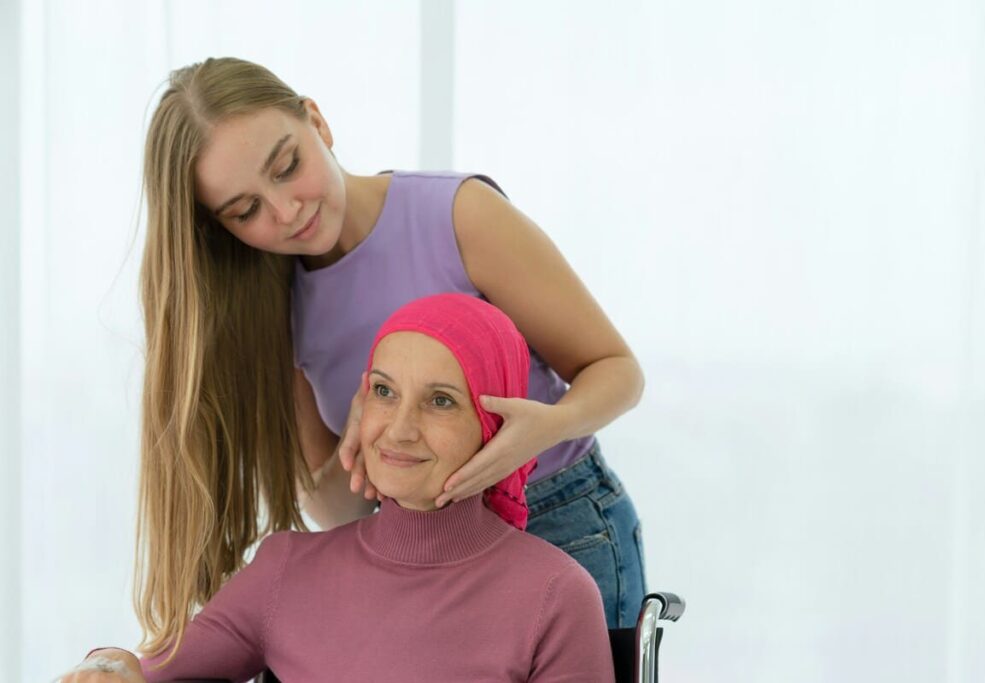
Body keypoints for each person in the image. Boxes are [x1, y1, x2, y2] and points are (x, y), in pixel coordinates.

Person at [132, 56, 646, 661]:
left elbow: (617, 370)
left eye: (287, 166)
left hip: (559, 518)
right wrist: (366, 448)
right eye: (245, 211)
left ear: (317, 122)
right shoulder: (272, 309)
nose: (286, 211)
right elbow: (339, 512)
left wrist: (541, 431)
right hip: (418, 557)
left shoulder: (456, 216)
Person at [61, 294, 615, 682]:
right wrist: (108, 664)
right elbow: (149, 667)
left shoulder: (555, 595)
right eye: (383, 391)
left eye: (441, 400)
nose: (399, 429)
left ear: (495, 426)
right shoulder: (285, 569)